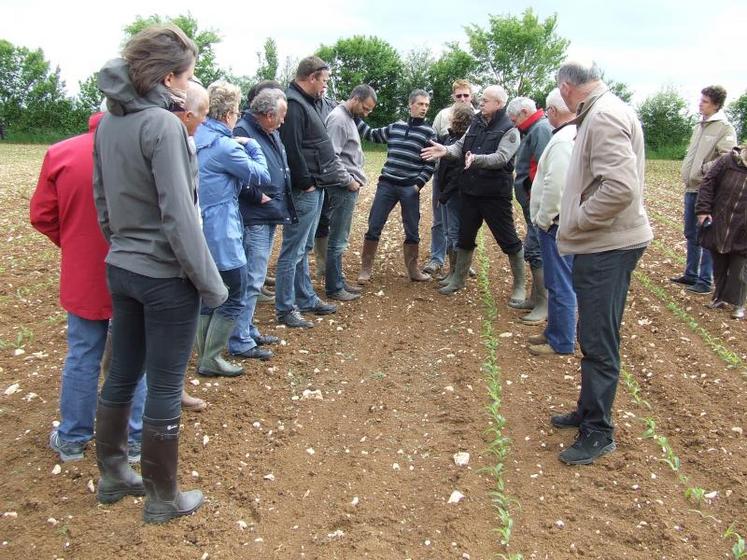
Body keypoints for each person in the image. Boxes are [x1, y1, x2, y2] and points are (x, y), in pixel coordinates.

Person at [93, 25, 228, 522]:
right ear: (170, 76)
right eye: (189, 74)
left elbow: (102, 201)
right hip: (165, 277)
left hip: (122, 267)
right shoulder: (164, 126)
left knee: (122, 372)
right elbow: (180, 216)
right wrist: (210, 285)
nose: (188, 83)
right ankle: (162, 498)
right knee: (167, 386)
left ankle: (113, 474)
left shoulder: (109, 123)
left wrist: (126, 248)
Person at [30, 112, 146, 463]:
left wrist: (75, 243)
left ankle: (73, 437)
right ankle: (135, 437)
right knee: (135, 354)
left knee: (83, 354)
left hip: (85, 273)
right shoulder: (141, 152)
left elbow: (42, 215)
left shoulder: (62, 153)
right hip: (137, 268)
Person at [553, 60, 653, 465]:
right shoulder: (605, 108)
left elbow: (620, 188)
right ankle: (587, 410)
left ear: (566, 86)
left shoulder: (604, 116)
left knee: (598, 339)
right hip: (603, 242)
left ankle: (599, 430)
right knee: (593, 333)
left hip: (608, 244)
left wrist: (579, 219)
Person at [194, 81, 270, 374]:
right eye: (237, 111)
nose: (238, 116)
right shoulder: (226, 147)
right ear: (227, 115)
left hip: (198, 228)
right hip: (222, 230)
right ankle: (210, 358)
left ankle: (204, 354)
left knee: (207, 293)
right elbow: (261, 175)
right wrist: (251, 145)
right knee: (235, 290)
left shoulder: (196, 136)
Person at [421, 85, 524, 299]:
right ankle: (458, 279)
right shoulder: (476, 121)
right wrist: (445, 151)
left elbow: (502, 158)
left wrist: (477, 160)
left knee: (509, 240)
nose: (480, 103)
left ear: (499, 104)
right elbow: (460, 146)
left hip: (495, 195)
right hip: (470, 191)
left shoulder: (510, 128)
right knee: (465, 238)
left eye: (485, 100)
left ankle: (519, 286)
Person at [277, 56, 352, 327]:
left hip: (315, 186)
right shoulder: (295, 105)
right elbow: (292, 149)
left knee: (304, 247)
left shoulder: (306, 103)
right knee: (293, 250)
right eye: (324, 80)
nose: (325, 86)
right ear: (311, 77)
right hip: (305, 188)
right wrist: (306, 181)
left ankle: (306, 298)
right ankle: (286, 308)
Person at [228, 87, 294, 359]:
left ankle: (248, 328)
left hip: (266, 213)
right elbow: (237, 176)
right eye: (281, 115)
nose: (283, 121)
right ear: (267, 115)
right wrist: (260, 197)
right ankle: (239, 339)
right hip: (255, 214)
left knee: (255, 277)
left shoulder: (268, 131)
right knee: (252, 279)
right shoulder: (242, 132)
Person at [356, 89, 437, 283]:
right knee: (374, 225)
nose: (424, 108)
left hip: (410, 188)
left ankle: (413, 270)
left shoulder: (429, 132)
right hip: (387, 184)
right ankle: (366, 269)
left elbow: (431, 162)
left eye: (426, 105)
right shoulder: (395, 127)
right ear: (410, 105)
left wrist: (418, 184)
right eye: (420, 104)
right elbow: (371, 134)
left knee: (412, 229)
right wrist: (352, 115)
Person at [525, 89, 577, 356]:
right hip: (560, 222)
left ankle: (562, 341)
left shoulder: (562, 142)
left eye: (548, 111)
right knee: (557, 282)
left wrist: (544, 219)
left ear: (554, 112)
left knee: (559, 284)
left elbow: (556, 186)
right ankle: (552, 332)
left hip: (555, 224)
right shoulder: (569, 136)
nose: (546, 115)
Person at [672, 86, 737, 294]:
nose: (700, 104)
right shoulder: (699, 125)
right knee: (691, 233)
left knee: (706, 236)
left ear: (716, 104)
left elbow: (727, 158)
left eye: (705, 101)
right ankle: (690, 274)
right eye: (700, 100)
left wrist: (703, 170)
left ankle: (705, 281)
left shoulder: (725, 128)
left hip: (707, 190)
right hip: (691, 188)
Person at [173, 80, 210, 411]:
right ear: (187, 115)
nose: (204, 122)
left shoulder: (190, 145)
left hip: (182, 249)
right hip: (167, 258)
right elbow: (177, 213)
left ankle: (175, 388)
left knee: (180, 330)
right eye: (203, 114)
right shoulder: (167, 146)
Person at [323, 84, 377, 300]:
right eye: (365, 108)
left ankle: (339, 281)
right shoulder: (338, 119)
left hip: (347, 185)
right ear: (355, 99)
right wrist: (349, 181)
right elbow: (331, 156)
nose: (367, 113)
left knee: (341, 236)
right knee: (337, 238)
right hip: (342, 187)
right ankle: (334, 288)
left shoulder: (349, 118)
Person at [506, 96, 553, 323]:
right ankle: (535, 298)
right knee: (535, 246)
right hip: (531, 202)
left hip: (538, 203)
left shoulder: (540, 129)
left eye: (514, 118)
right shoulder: (533, 128)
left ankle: (544, 304)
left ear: (524, 112)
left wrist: (534, 197)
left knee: (535, 249)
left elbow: (547, 169)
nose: (513, 123)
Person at [425, 79, 476, 275]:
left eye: (466, 95)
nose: (462, 98)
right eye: (459, 95)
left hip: (467, 177)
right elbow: (435, 142)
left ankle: (462, 264)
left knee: (464, 221)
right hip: (443, 174)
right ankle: (436, 258)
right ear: (453, 96)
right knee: (440, 219)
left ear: (471, 96)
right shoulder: (442, 115)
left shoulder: (479, 117)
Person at [696, 145, 747, 319]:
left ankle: (738, 304)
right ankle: (719, 297)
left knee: (739, 267)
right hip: (720, 220)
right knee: (719, 262)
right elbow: (708, 183)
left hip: (743, 227)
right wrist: (703, 210)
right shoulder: (728, 160)